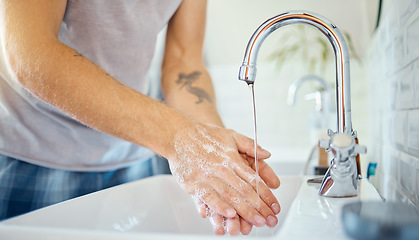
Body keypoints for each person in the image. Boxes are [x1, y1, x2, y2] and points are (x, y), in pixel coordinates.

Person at [0, 0, 281, 235]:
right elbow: (31, 53)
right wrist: (180, 137)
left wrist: (213, 150)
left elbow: (184, 62)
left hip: (133, 157)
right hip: (33, 156)